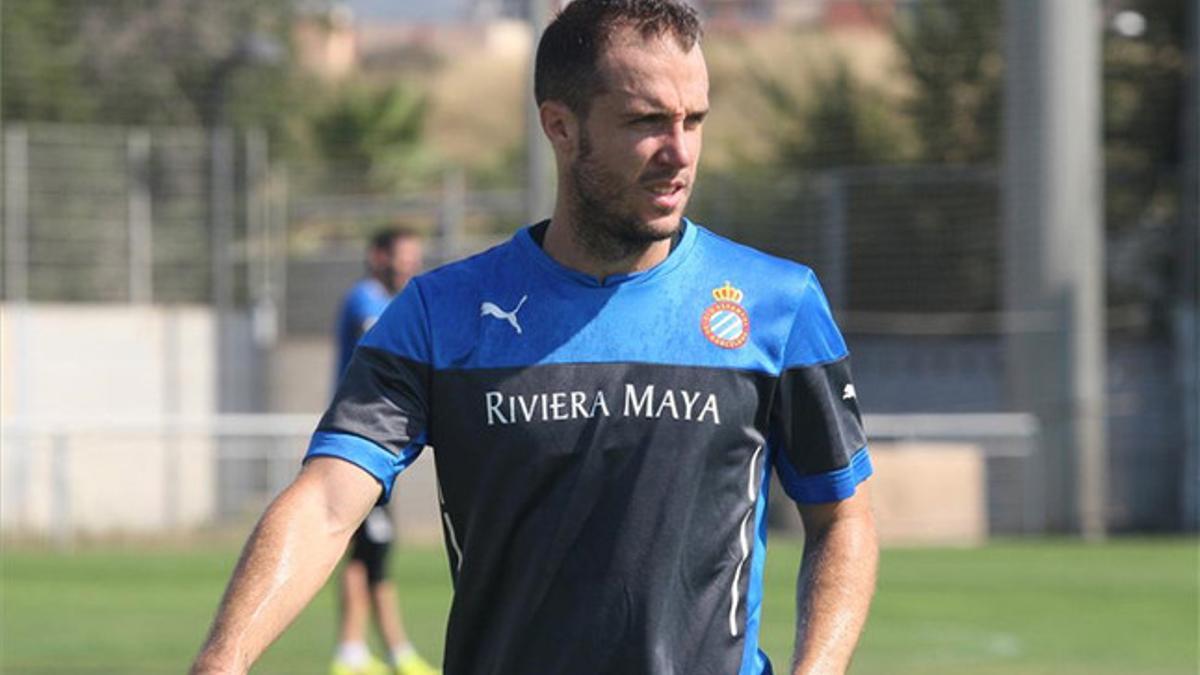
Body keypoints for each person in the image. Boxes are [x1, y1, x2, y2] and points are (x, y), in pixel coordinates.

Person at [192, 2, 877, 674]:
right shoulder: (442, 315)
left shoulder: (778, 306)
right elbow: (326, 502)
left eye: (694, 120)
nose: (680, 152)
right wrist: (224, 656)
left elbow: (842, 516)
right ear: (561, 127)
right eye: (647, 122)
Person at [329, 227, 437, 675]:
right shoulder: (366, 300)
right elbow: (386, 343)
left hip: (376, 446)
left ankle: (363, 651)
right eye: (403, 256)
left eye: (416, 256)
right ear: (378, 257)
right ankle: (381, 652)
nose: (410, 264)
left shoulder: (387, 301)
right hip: (361, 446)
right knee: (373, 551)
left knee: (366, 555)